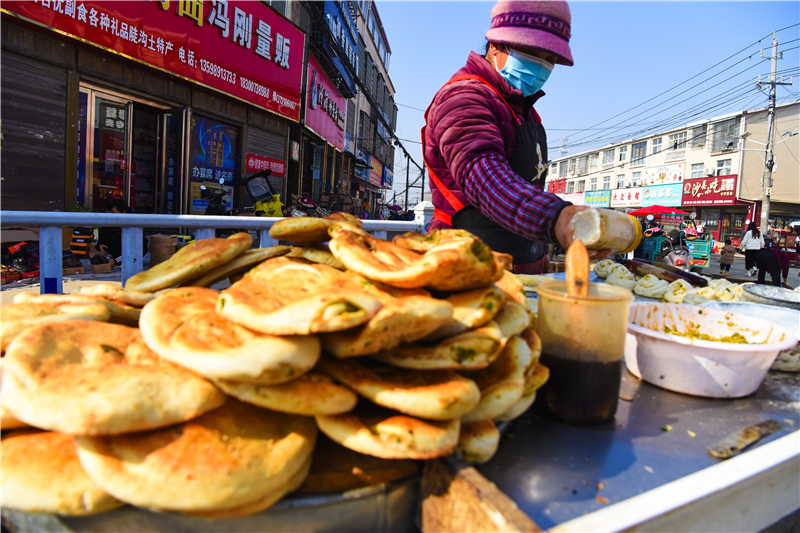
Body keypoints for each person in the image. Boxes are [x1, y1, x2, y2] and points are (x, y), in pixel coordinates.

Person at [422, 1, 608, 274]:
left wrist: (540, 258)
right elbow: (483, 177)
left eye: (551, 60)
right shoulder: (463, 97)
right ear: (496, 45)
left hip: (525, 271)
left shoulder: (527, 113)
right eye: (532, 52)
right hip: (465, 269)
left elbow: (529, 191)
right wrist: (557, 218)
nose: (542, 66)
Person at [95, 200, 147, 268]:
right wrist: (100, 245)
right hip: (116, 252)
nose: (110, 215)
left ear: (123, 213)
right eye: (109, 212)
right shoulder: (109, 221)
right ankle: (111, 257)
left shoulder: (134, 225)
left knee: (114, 237)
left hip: (132, 254)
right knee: (103, 230)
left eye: (113, 212)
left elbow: (138, 250)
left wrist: (116, 261)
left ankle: (121, 262)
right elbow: (101, 236)